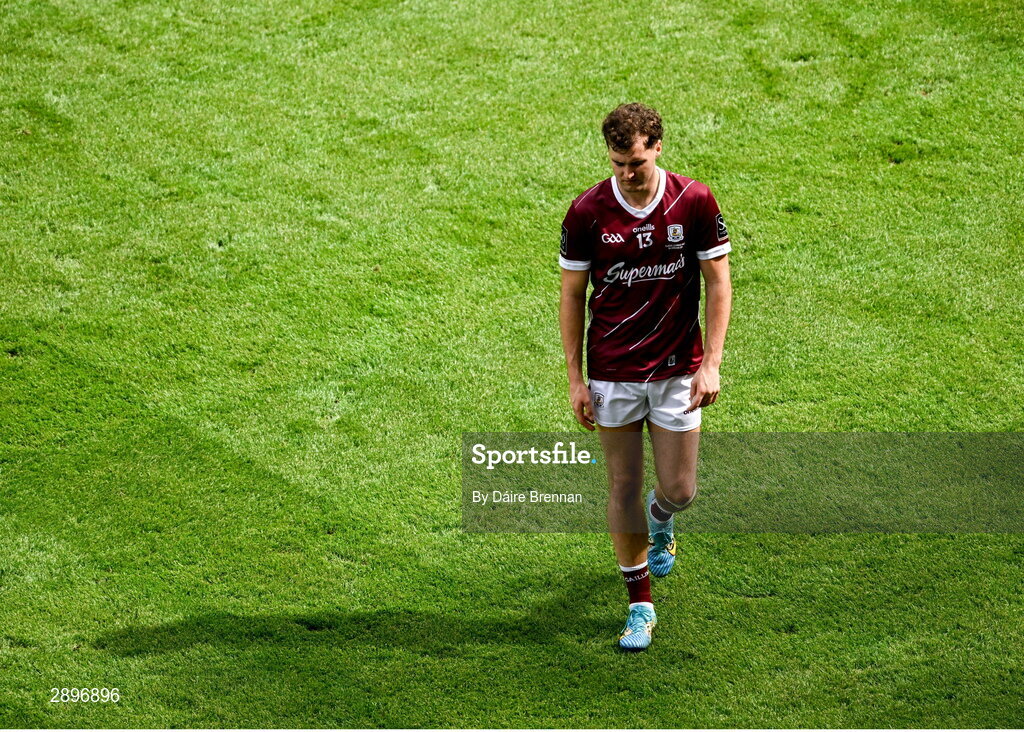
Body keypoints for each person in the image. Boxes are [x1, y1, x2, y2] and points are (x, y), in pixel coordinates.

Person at [558, 103, 733, 650]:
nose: (628, 174)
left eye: (636, 162)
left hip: (678, 367)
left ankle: (662, 519)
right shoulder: (587, 212)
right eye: (618, 164)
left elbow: (718, 282)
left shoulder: (693, 200)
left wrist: (711, 364)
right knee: (622, 485)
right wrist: (575, 378)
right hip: (613, 372)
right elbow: (572, 296)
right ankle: (640, 607)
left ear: (657, 147)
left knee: (680, 490)